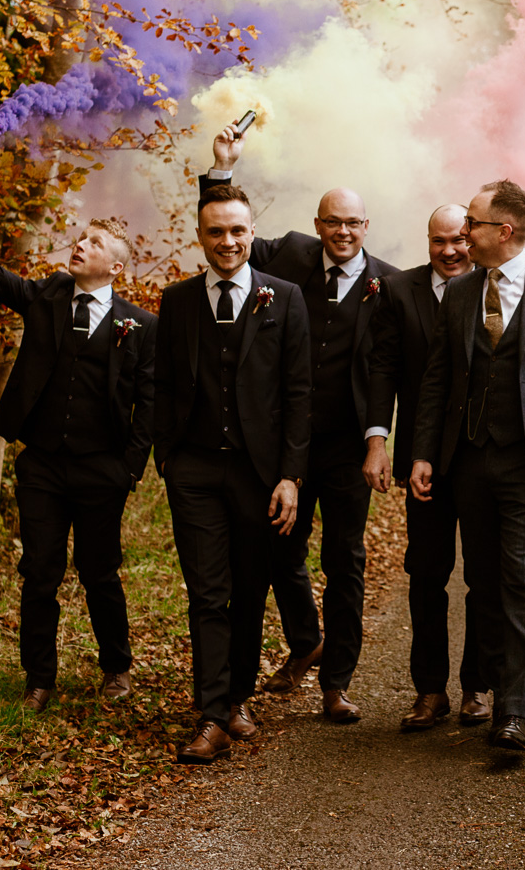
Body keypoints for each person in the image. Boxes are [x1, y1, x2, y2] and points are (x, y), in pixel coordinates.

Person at [364, 128, 525, 733]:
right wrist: (419, 454)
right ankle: (452, 689)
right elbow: (437, 380)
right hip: (465, 461)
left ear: (505, 231)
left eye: (471, 223)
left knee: (520, 583)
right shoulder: (461, 293)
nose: (463, 235)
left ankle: (512, 713)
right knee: (474, 578)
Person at [201, 129, 397, 723]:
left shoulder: (389, 285)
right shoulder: (284, 253)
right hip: (283, 445)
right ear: (317, 224)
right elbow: (222, 238)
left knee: (345, 560)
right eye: (333, 221)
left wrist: (377, 439)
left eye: (353, 223)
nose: (343, 231)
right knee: (278, 552)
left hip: (346, 448)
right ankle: (305, 639)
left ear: (366, 227)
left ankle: (335, 682)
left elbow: (386, 370)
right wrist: (220, 170)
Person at [0, 164, 155, 712]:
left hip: (102, 471)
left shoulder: (140, 327)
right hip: (41, 465)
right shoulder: (45, 297)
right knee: (39, 573)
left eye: (93, 243)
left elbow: (151, 406)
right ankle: (39, 679)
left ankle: (116, 668)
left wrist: (130, 468)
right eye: (80, 237)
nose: (80, 244)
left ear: (114, 266)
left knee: (99, 573)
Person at [153, 183, 312, 763]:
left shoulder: (286, 298)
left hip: (260, 473)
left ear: (252, 233)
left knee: (249, 591)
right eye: (215, 231)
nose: (227, 241)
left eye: (237, 230)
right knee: (206, 592)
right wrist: (165, 454)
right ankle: (213, 713)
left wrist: (292, 474)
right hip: (192, 469)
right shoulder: (177, 300)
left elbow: (299, 392)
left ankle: (238, 696)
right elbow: (164, 383)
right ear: (201, 237)